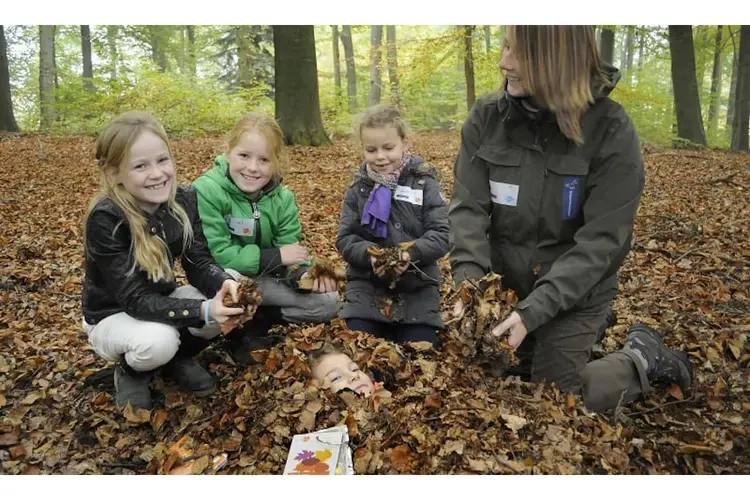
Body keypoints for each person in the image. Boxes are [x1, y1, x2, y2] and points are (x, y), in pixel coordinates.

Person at [448, 26, 692, 412]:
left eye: (520, 53)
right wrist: (471, 290)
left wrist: (534, 312)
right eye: (506, 47)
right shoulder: (487, 118)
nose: (504, 62)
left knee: (552, 402)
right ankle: (556, 342)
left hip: (576, 291)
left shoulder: (609, 129)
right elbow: (467, 208)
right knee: (486, 390)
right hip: (507, 285)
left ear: (558, 61)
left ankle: (641, 358)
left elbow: (602, 243)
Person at [82, 111, 255, 410]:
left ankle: (177, 359)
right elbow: (134, 299)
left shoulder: (184, 200)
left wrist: (227, 285)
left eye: (163, 160)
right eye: (140, 166)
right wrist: (203, 310)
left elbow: (199, 261)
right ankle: (132, 370)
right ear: (114, 174)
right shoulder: (106, 218)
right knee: (158, 340)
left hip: (160, 300)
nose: (158, 173)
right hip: (113, 315)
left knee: (225, 292)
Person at [193, 113, 340, 364]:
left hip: (265, 282)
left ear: (275, 163)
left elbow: (290, 251)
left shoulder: (283, 199)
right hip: (224, 280)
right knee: (234, 282)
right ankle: (236, 332)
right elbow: (215, 254)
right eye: (244, 156)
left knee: (328, 302)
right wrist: (275, 256)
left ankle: (257, 321)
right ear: (228, 153)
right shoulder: (207, 191)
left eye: (263, 160)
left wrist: (302, 277)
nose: (252, 168)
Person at [336, 105, 449, 345]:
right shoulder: (358, 187)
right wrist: (371, 256)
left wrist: (409, 254)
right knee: (359, 346)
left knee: (420, 350)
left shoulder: (424, 182)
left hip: (418, 287)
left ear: (404, 143)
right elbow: (345, 238)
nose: (380, 156)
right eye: (371, 149)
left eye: (388, 148)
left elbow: (442, 234)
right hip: (367, 286)